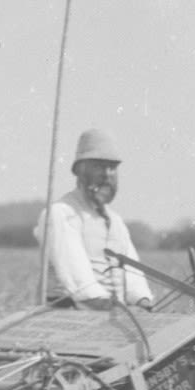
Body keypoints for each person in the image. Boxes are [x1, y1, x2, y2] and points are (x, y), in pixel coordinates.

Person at [39, 128, 154, 308]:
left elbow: (134, 278)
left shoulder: (116, 222)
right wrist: (120, 312)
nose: (107, 174)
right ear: (79, 171)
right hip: (70, 317)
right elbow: (80, 283)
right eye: (98, 166)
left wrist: (144, 303)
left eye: (112, 167)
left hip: (115, 318)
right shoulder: (62, 213)